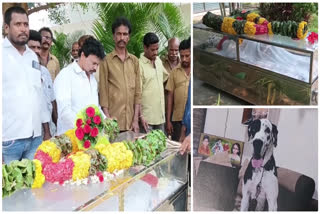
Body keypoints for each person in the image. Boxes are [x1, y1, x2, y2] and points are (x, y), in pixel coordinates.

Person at [2, 6, 49, 163]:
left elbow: (39, 95)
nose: (23, 29)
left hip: (35, 139)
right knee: (9, 187)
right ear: (6, 27)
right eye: (18, 24)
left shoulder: (32, 57)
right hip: (9, 142)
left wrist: (46, 131)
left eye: (26, 24)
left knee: (34, 186)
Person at [54, 37, 105, 135]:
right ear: (82, 55)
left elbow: (96, 107)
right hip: (71, 138)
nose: (95, 68)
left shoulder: (92, 78)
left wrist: (106, 121)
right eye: (93, 63)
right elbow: (65, 113)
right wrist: (85, 128)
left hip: (90, 139)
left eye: (98, 64)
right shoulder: (66, 75)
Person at [99, 17, 141, 133]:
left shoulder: (135, 61)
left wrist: (136, 120)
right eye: (119, 34)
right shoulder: (106, 61)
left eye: (125, 34)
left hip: (131, 124)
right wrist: (108, 119)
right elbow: (103, 92)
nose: (122, 38)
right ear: (114, 36)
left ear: (129, 37)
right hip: (114, 123)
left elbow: (138, 93)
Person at [28, 29, 58, 138]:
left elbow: (51, 99)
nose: (36, 51)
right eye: (32, 47)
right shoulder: (21, 72)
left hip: (50, 129)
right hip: (30, 132)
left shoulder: (44, 71)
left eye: (38, 48)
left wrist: (56, 124)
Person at [139, 32, 168, 132]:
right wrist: (140, 116)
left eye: (157, 49)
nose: (156, 52)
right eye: (152, 50)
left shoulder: (158, 61)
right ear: (145, 48)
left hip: (160, 117)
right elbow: (136, 94)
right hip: (147, 120)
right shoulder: (139, 66)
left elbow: (165, 78)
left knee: (162, 146)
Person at [165, 38, 191, 141]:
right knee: (178, 151)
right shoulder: (174, 72)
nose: (184, 59)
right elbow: (170, 97)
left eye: (187, 56)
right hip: (177, 120)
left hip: (190, 118)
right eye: (182, 56)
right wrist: (168, 121)